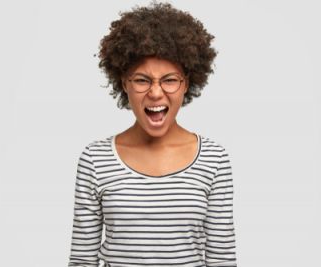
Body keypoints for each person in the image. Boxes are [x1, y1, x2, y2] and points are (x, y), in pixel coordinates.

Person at [68, 2, 237, 267]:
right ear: (124, 82)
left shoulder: (214, 159)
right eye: (142, 80)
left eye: (169, 79)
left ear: (187, 84)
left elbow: (222, 260)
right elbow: (82, 260)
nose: (156, 93)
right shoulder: (95, 159)